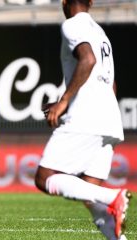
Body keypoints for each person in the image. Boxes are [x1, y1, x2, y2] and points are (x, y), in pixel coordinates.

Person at [34, 0, 131, 239]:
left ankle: (114, 196)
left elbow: (88, 60)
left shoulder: (73, 24)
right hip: (109, 118)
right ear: (91, 2)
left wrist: (65, 101)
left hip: (87, 116)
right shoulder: (100, 32)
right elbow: (110, 83)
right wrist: (66, 102)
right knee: (89, 193)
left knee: (44, 178)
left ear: (64, 2)